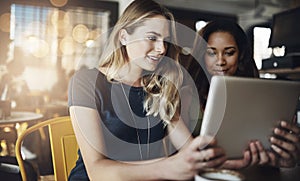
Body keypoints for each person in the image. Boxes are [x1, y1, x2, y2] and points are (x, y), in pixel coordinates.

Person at [68, 1, 226, 180]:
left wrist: (227, 161)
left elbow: (188, 148)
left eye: (165, 41)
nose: (161, 49)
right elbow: (97, 172)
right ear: (124, 37)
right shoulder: (86, 82)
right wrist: (168, 167)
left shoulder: (161, 86)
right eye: (152, 38)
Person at [189, 19, 300, 169]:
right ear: (202, 56)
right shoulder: (188, 94)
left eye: (229, 53)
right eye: (211, 53)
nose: (220, 61)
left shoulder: (261, 97)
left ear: (240, 55)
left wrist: (286, 160)